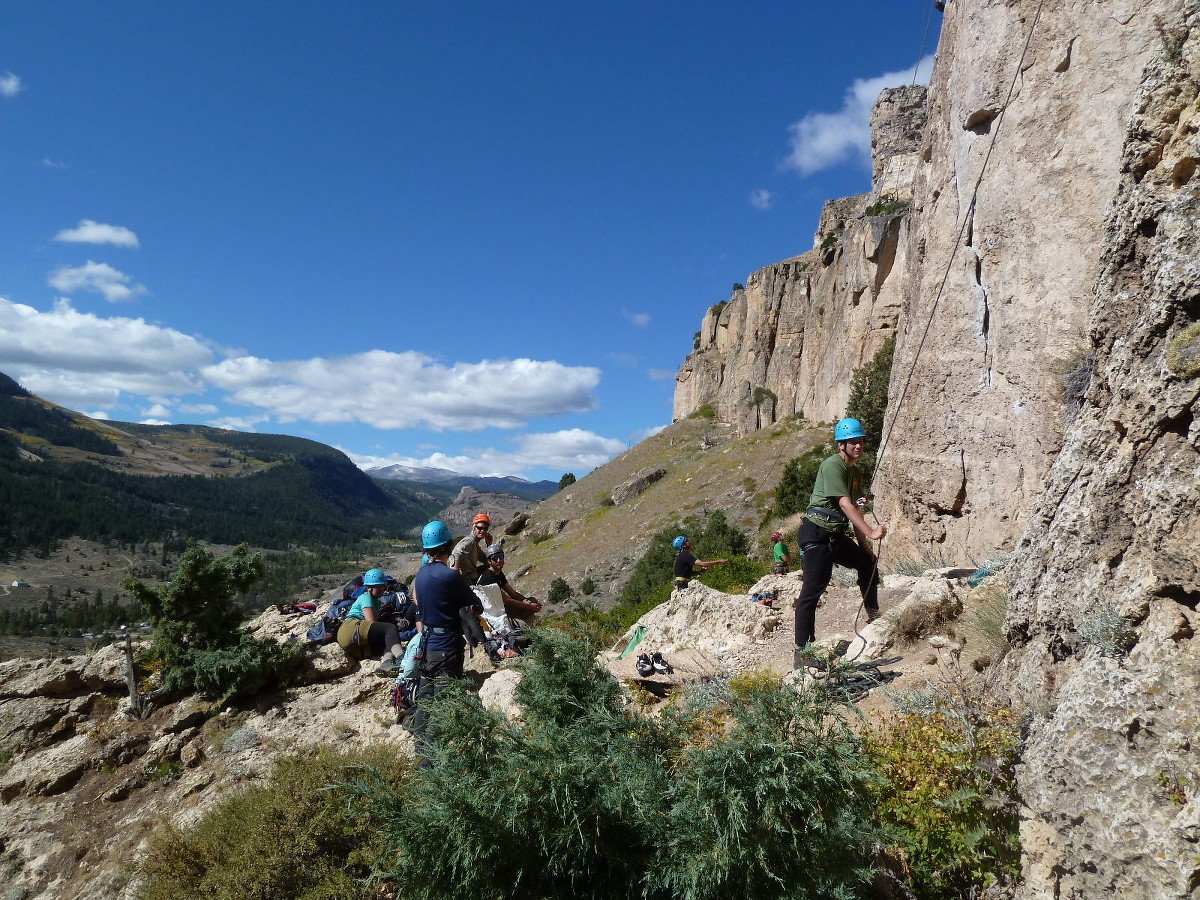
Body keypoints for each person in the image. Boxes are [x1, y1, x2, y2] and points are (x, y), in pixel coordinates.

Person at [793, 417, 888, 665]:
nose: (858, 445)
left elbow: (855, 511)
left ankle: (874, 615)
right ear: (840, 445)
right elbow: (845, 504)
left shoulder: (854, 472)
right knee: (812, 592)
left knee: (867, 564)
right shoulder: (832, 465)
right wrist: (870, 532)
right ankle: (803, 653)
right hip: (816, 532)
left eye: (860, 441)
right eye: (852, 442)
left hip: (834, 534)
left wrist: (865, 548)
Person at [413, 520, 480, 680]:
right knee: (448, 697)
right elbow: (476, 604)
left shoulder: (420, 574)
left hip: (427, 645)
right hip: (447, 647)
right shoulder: (449, 575)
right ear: (447, 545)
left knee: (427, 700)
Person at [336, 567, 406, 675]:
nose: (383, 589)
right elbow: (371, 622)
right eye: (380, 587)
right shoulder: (366, 597)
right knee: (390, 628)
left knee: (388, 641)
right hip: (350, 628)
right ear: (369, 588)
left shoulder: (376, 601)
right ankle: (402, 658)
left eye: (383, 586)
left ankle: (386, 663)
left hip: (354, 641)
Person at [474, 543, 542, 627]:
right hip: (493, 612)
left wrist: (528, 601)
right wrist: (529, 607)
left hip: (500, 606)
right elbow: (506, 600)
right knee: (528, 610)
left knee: (532, 601)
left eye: (501, 557)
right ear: (489, 561)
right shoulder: (488, 578)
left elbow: (512, 593)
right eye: (495, 558)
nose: (499, 560)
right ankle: (524, 627)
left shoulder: (498, 573)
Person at [450, 513, 492, 584]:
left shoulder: (475, 544)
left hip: (472, 576)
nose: (482, 531)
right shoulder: (470, 541)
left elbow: (486, 561)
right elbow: (455, 553)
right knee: (493, 572)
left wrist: (489, 545)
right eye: (479, 528)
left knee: (493, 569)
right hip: (468, 579)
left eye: (485, 529)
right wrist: (455, 575)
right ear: (474, 527)